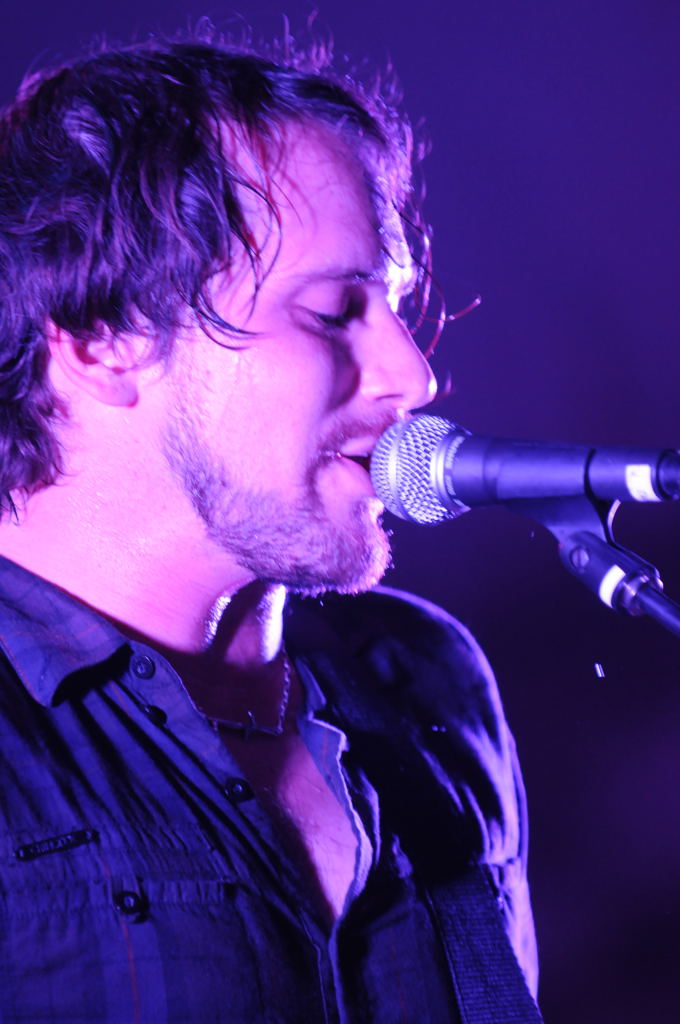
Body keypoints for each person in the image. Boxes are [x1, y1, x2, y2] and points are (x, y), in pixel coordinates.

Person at [0, 29, 542, 1023]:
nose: (414, 377)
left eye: (395, 304)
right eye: (334, 309)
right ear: (104, 337)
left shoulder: (426, 677)